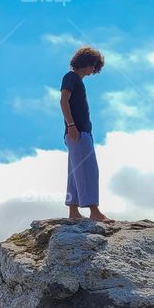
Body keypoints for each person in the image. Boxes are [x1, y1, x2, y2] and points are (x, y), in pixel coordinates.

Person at [60, 46, 111, 222]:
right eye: (93, 67)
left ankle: (73, 212)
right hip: (78, 131)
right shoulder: (71, 77)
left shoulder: (76, 80)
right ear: (86, 63)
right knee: (89, 169)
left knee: (74, 172)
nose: (93, 71)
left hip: (79, 132)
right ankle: (94, 211)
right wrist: (71, 124)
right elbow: (63, 100)